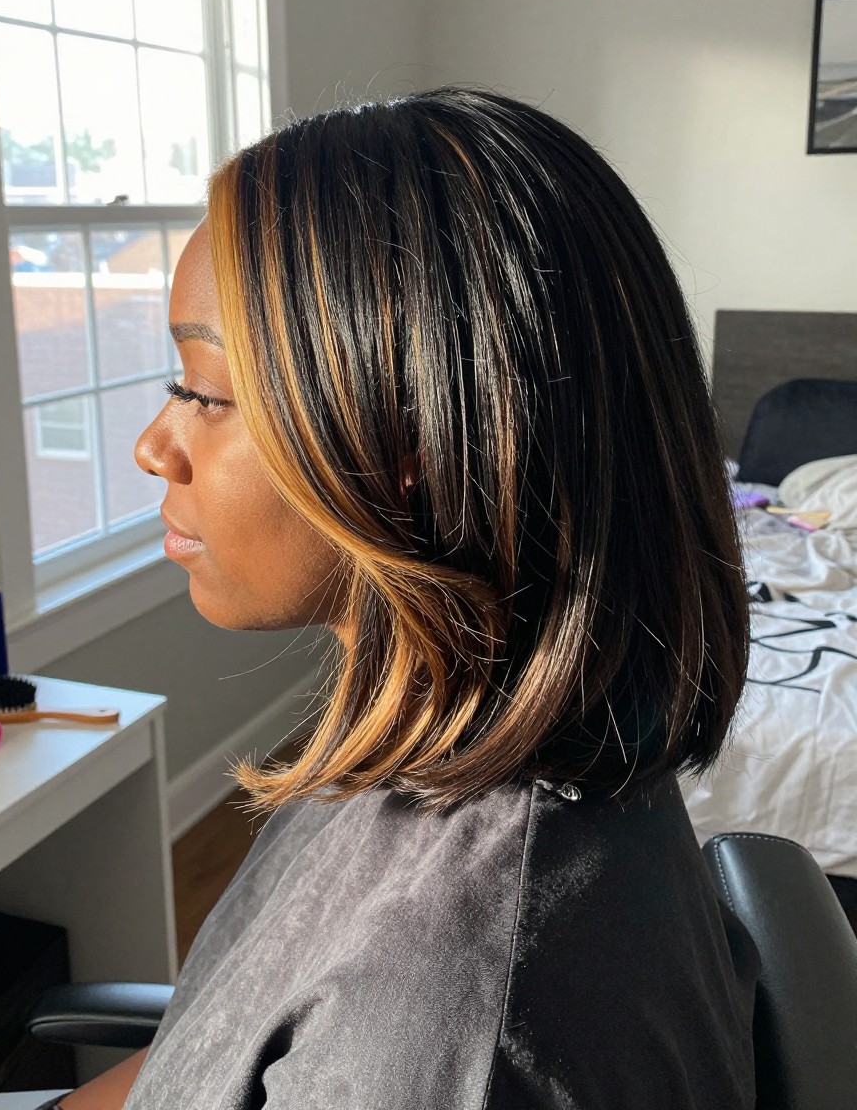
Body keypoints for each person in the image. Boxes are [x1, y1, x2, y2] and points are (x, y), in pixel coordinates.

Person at [45, 85, 757, 1109]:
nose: (155, 446)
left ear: (413, 435)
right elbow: (209, 1048)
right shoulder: (448, 727)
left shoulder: (447, 1024)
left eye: (204, 391)